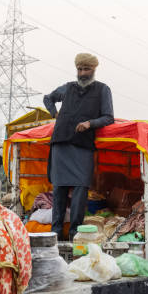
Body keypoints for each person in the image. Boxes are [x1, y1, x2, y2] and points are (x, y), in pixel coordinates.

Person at [43, 53, 114, 241]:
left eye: (86, 69)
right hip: (60, 143)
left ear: (94, 70)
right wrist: (54, 114)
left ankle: (75, 233)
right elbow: (47, 98)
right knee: (58, 189)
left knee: (80, 190)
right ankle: (55, 233)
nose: (82, 73)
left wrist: (90, 123)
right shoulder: (67, 88)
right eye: (79, 69)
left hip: (83, 146)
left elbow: (108, 117)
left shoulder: (102, 90)